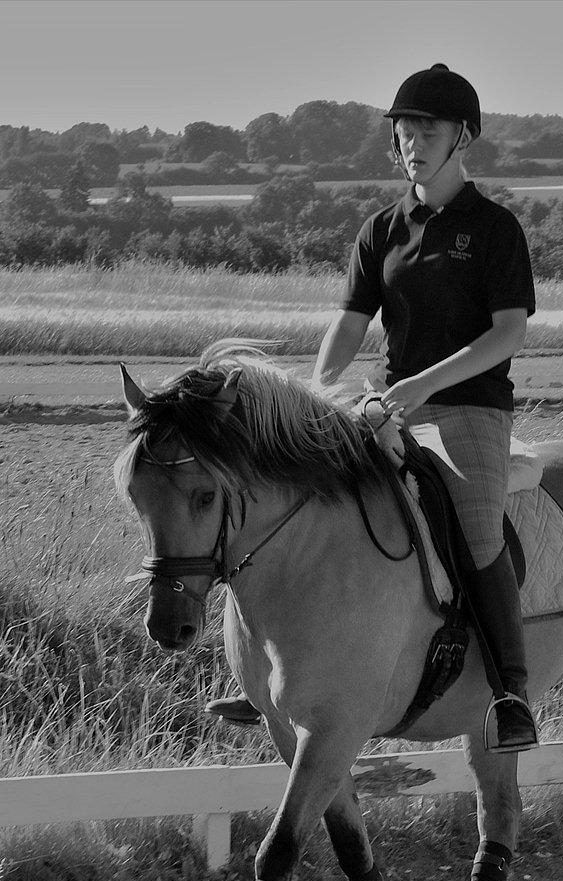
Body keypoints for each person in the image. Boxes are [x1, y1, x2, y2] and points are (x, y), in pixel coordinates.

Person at [208, 63, 538, 753]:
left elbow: (507, 333)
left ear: (463, 137)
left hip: (468, 409)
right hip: (387, 407)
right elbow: (351, 322)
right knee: (296, 498)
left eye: (429, 131)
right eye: (405, 132)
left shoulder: (495, 227)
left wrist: (424, 385)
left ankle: (510, 691)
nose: (413, 144)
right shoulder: (380, 229)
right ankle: (268, 673)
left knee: (477, 531)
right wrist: (315, 394)